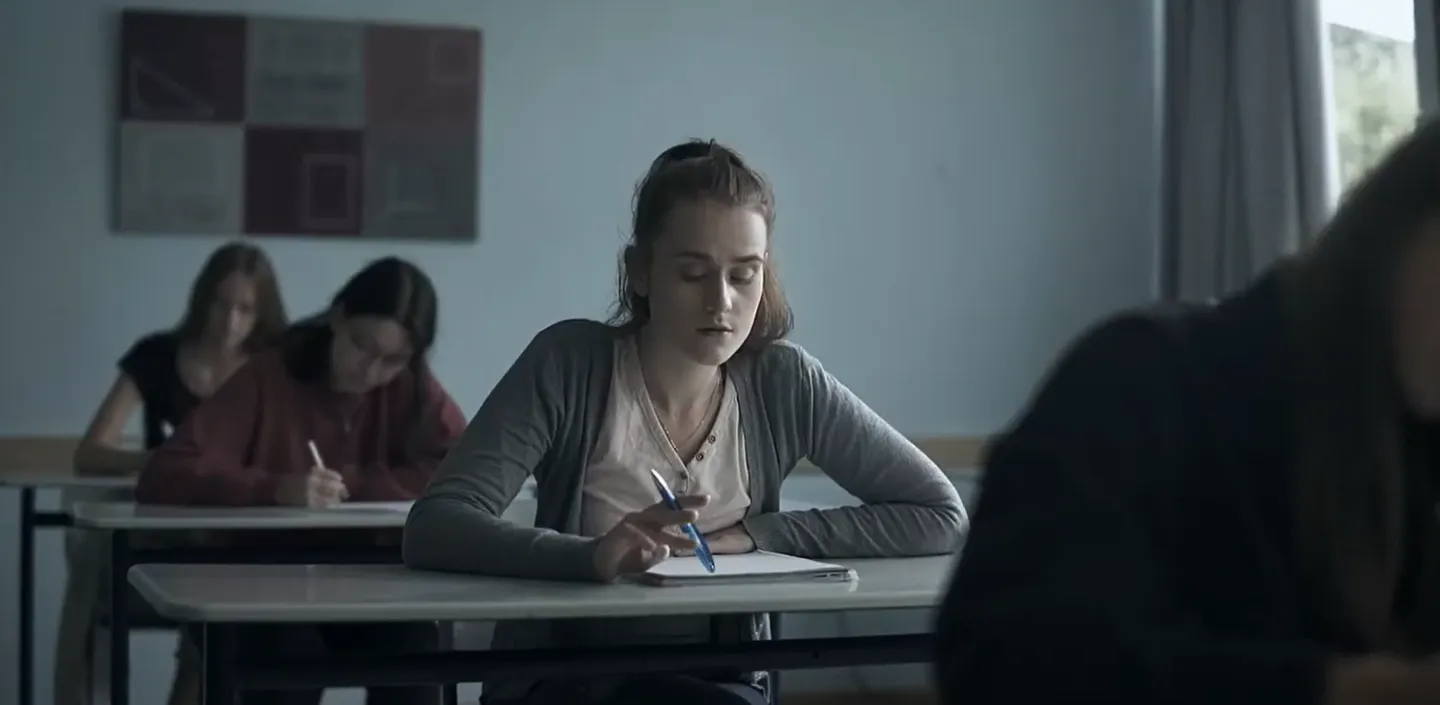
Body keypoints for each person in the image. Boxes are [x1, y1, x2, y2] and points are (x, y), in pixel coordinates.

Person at [404, 139, 967, 705]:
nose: (721, 302)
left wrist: (757, 536)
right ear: (641, 272)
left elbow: (939, 514)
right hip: (568, 678)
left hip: (720, 679)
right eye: (693, 273)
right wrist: (590, 556)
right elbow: (436, 525)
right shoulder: (569, 364)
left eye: (744, 275)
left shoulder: (785, 381)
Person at [932, 119, 1440, 705]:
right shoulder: (1144, 377)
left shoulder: (1413, 448)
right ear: (1402, 223)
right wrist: (1343, 690)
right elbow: (1005, 663)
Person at [137, 256, 468, 705]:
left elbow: (463, 472)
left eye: (393, 359)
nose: (371, 371)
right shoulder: (270, 375)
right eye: (361, 345)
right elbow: (166, 472)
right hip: (261, 585)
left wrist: (358, 483)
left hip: (368, 588)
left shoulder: (412, 388)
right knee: (287, 658)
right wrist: (275, 489)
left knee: (415, 648)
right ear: (337, 317)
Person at [57, 241, 287, 705]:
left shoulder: (273, 368)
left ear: (262, 315)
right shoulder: (157, 355)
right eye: (221, 304)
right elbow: (91, 452)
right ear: (202, 299)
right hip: (162, 530)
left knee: (224, 603)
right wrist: (168, 462)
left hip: (238, 532)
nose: (230, 322)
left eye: (245, 309)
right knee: (94, 561)